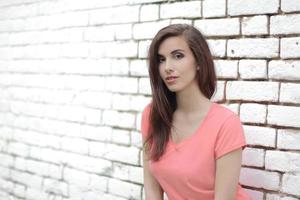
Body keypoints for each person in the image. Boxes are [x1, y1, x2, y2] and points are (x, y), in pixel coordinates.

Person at [140, 24, 251, 200]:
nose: (167, 66)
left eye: (178, 56)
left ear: (199, 61)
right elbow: (151, 187)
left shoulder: (226, 123)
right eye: (161, 59)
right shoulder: (153, 115)